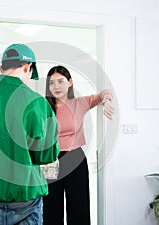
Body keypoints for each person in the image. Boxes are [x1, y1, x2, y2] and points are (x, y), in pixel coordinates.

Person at [0, 44, 60, 225]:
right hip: (26, 201)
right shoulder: (36, 102)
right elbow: (47, 154)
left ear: (1, 68)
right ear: (27, 67)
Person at [43, 65, 114, 225]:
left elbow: (104, 94)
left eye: (60, 81)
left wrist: (107, 101)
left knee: (79, 207)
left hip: (75, 158)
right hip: (50, 160)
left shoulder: (81, 103)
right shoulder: (43, 106)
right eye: (52, 83)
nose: (56, 87)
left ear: (70, 82)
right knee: (50, 208)